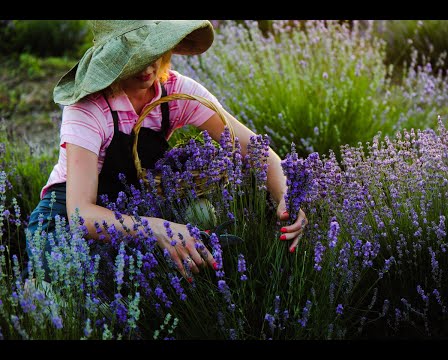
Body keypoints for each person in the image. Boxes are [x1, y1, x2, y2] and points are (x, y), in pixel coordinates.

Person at [26, 20, 307, 280]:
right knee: (88, 279)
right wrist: (156, 229)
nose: (148, 68)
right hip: (65, 220)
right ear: (111, 61)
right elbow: (81, 216)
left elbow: (254, 148)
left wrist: (286, 195)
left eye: (154, 52)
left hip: (135, 208)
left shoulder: (173, 90)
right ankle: (43, 292)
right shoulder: (88, 108)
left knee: (201, 218)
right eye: (134, 59)